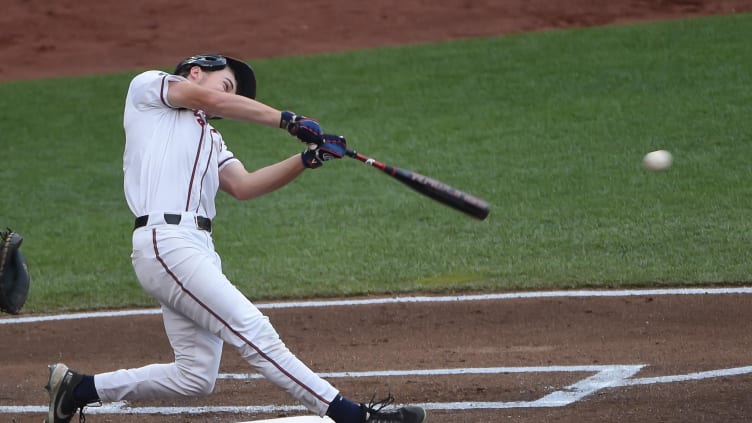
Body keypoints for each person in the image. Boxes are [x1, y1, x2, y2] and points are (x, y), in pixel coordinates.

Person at [43, 54, 427, 423]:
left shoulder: (211, 139)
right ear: (196, 70)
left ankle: (79, 389)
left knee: (195, 376)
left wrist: (308, 160)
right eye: (228, 85)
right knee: (253, 330)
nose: (230, 97)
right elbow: (209, 98)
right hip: (166, 242)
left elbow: (244, 185)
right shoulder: (149, 89)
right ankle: (350, 415)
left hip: (198, 249)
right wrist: (288, 121)